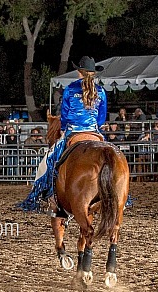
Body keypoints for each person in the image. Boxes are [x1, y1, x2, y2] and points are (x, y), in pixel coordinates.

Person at [19, 56, 107, 214]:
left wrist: (65, 126)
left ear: (79, 72)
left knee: (49, 161)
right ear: (93, 74)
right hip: (94, 132)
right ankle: (120, 195)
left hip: (73, 131)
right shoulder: (100, 91)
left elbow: (65, 115)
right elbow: (101, 118)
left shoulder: (70, 89)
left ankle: (49, 197)